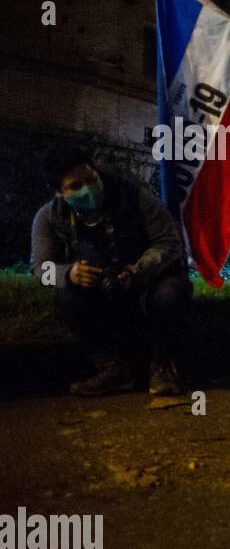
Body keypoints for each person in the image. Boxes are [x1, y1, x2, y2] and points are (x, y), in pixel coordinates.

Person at [31, 147, 191, 396]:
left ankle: (162, 366)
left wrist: (135, 272)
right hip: (100, 289)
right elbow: (41, 268)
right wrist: (68, 274)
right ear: (60, 193)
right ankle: (112, 368)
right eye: (75, 186)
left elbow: (169, 243)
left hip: (147, 281)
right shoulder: (49, 217)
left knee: (172, 292)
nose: (87, 189)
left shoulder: (134, 197)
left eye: (90, 179)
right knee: (67, 295)